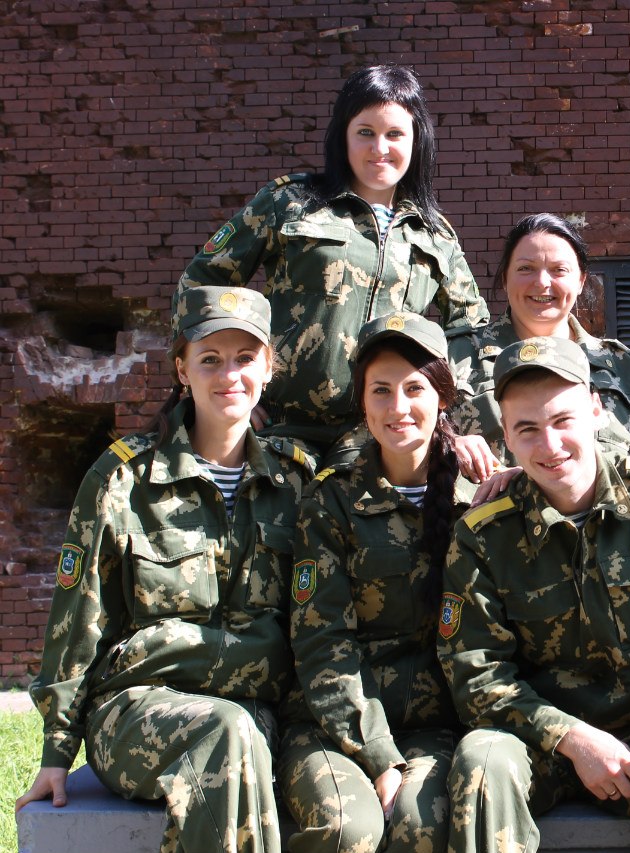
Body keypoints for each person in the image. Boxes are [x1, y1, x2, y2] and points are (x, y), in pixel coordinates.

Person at [15, 286, 312, 853]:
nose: (229, 375)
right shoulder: (123, 479)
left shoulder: (296, 483)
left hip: (253, 710)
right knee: (227, 733)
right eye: (210, 359)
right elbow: (79, 618)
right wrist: (56, 751)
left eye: (245, 358)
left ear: (268, 369)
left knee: (237, 732)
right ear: (182, 369)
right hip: (136, 709)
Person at [437, 336, 630, 853]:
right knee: (481, 764)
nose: (550, 445)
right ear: (506, 438)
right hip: (533, 739)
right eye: (527, 430)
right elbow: (475, 671)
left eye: (563, 420)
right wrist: (572, 739)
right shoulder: (484, 534)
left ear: (595, 409)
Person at [175, 64, 489, 459]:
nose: (379, 148)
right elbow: (201, 281)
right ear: (343, 137)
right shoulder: (291, 203)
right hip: (279, 427)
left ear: (416, 140)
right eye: (365, 133)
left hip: (378, 437)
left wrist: (449, 414)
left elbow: (469, 328)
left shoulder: (434, 234)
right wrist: (234, 389)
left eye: (395, 134)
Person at [281, 312, 474, 853]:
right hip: (332, 727)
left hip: (436, 728)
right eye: (380, 390)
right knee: (348, 829)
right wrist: (379, 755)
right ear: (362, 403)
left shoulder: (479, 496)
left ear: (442, 397)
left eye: (414, 388)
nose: (397, 407)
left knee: (422, 824)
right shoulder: (331, 501)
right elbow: (322, 641)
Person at [449, 212, 630, 485]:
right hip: (494, 511)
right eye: (526, 268)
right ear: (505, 278)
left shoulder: (619, 363)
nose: (542, 282)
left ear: (580, 281)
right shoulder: (459, 356)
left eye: (559, 270)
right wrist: (450, 444)